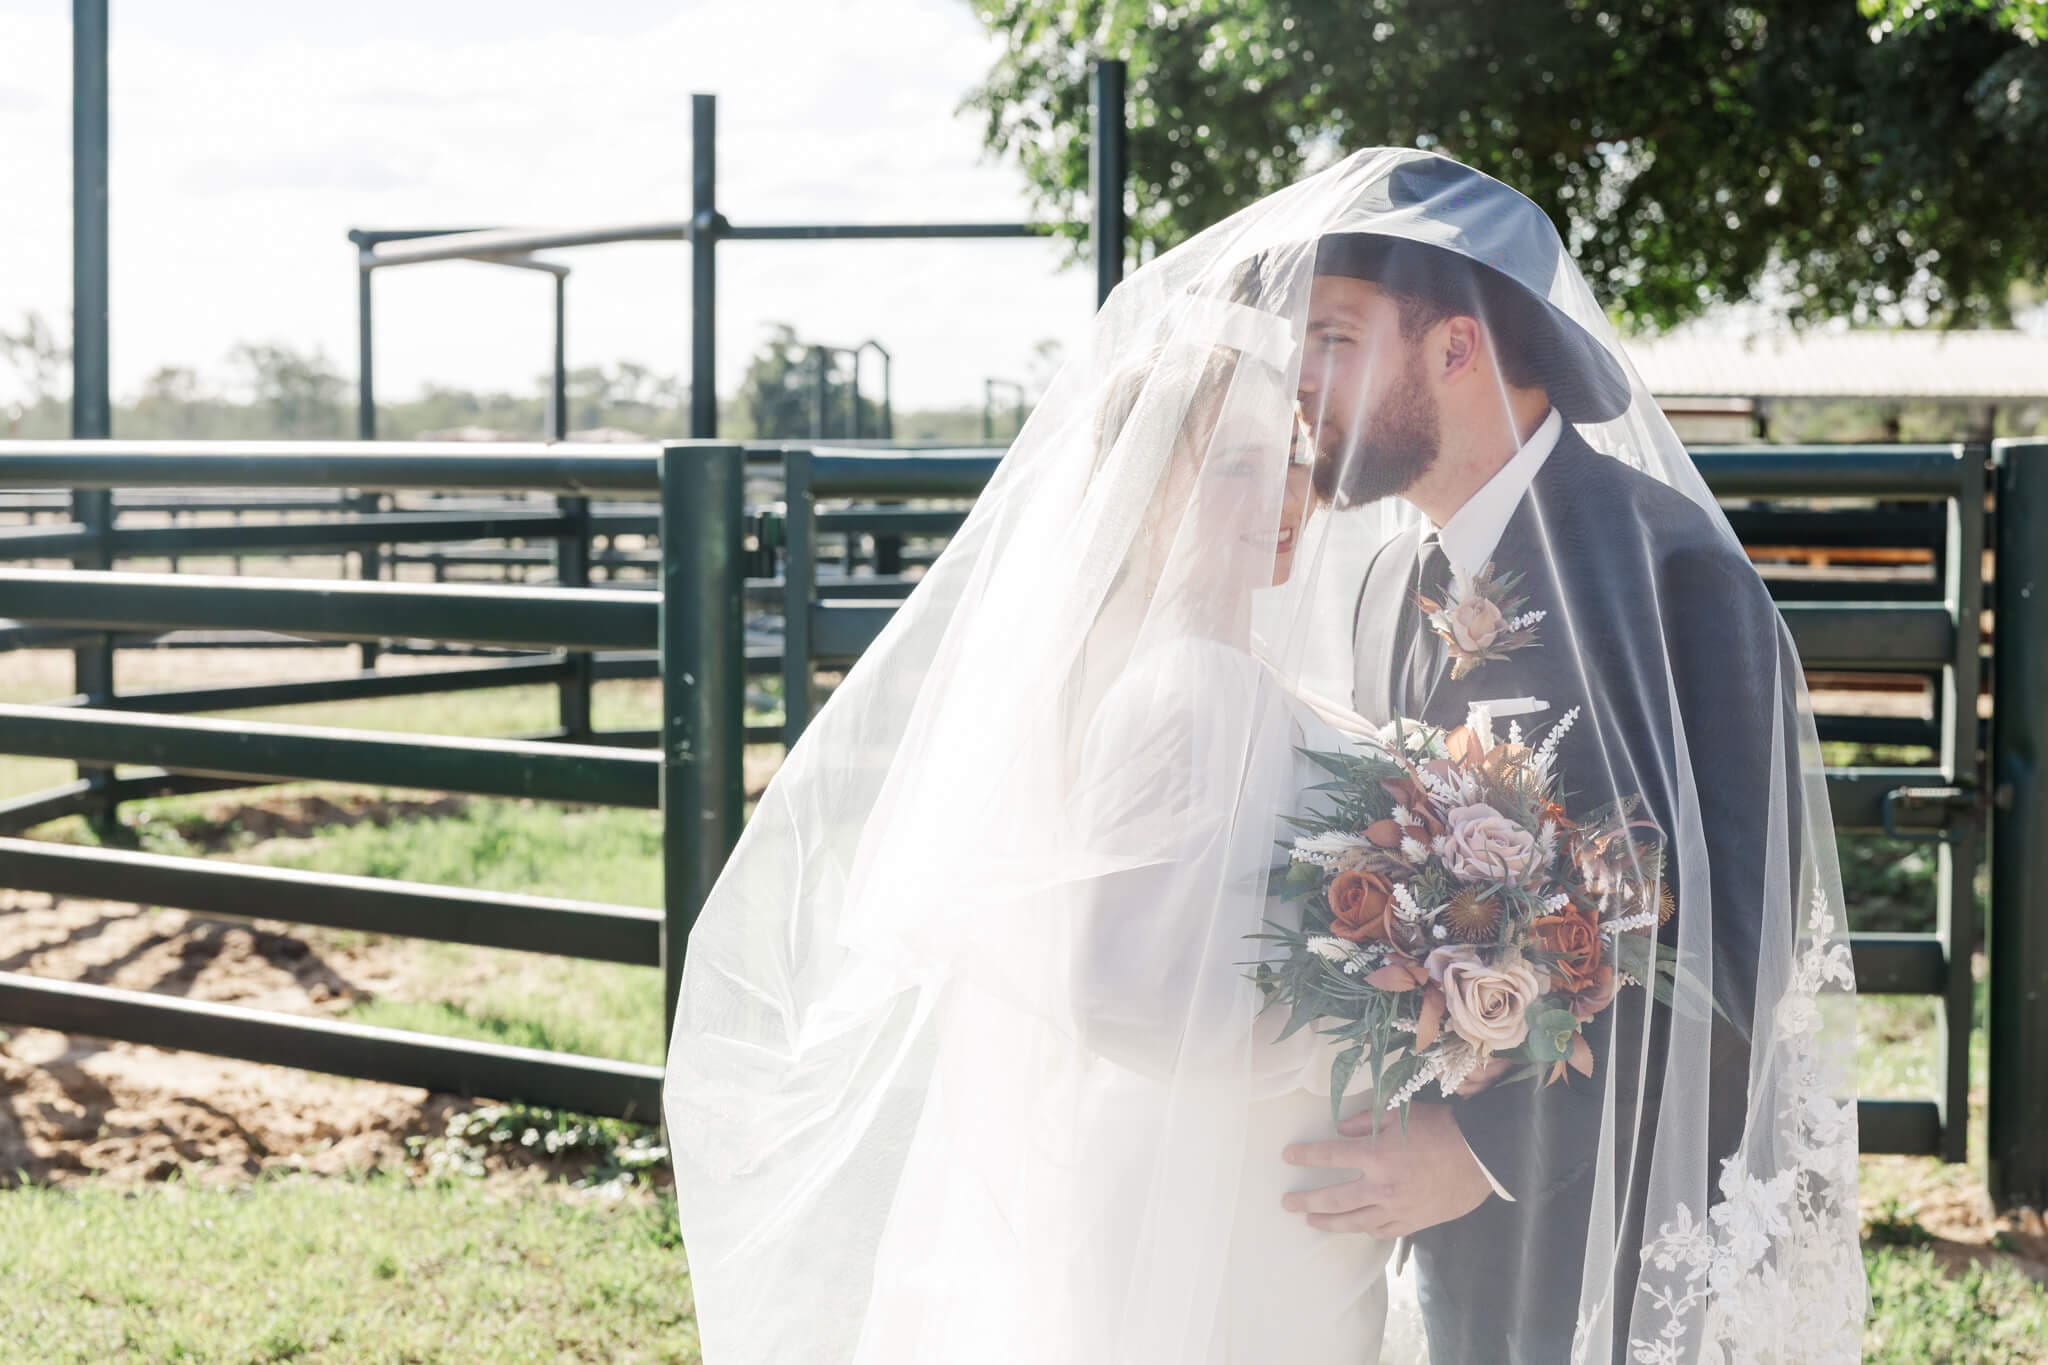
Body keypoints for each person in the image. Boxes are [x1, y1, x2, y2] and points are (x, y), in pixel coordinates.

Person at [662, 148, 1866, 1364]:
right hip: (1391, 1224)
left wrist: (1484, 1150)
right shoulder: (1398, 583)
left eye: (1334, 340)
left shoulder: (1672, 577)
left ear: (1452, 348)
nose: (1298, 383)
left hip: (1611, 1218)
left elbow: (1735, 948)